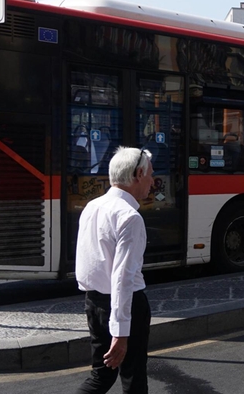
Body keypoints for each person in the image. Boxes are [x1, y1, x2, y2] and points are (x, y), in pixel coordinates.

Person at [76, 147, 154, 394]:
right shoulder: (129, 217)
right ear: (139, 174)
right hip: (124, 306)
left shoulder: (92, 206)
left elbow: (87, 265)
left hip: (94, 302)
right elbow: (123, 278)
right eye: (150, 174)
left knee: (101, 377)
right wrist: (120, 333)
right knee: (134, 380)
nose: (152, 181)